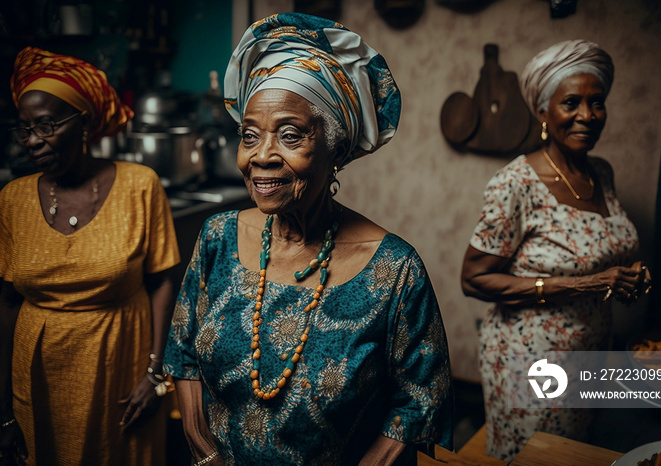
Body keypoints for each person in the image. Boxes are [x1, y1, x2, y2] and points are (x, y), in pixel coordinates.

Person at [163, 12, 453, 466]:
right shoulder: (217, 238)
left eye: (290, 135)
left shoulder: (395, 270)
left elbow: (417, 406)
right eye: (250, 136)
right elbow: (182, 355)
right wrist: (205, 456)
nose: (261, 157)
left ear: (336, 149)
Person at [460, 39, 652, 461]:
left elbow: (600, 246)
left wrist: (632, 270)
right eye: (571, 103)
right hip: (532, 360)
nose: (587, 115)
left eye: (596, 102)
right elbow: (473, 278)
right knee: (534, 458)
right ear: (543, 112)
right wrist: (590, 284)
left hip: (592, 349)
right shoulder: (516, 183)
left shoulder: (601, 173)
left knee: (573, 453)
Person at [0, 47, 180, 465]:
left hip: (120, 367)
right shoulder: (11, 200)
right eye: (24, 129)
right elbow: (7, 303)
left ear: (83, 123)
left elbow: (163, 282)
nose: (32, 141)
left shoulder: (140, 185)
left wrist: (155, 375)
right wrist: (4, 409)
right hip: (40, 375)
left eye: (46, 125)